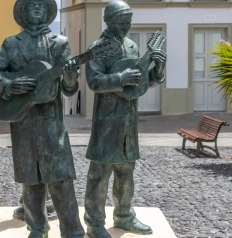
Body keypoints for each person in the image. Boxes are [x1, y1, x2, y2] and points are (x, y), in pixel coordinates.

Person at [0, 0, 85, 237]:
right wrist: (9, 85)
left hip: (52, 122)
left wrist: (70, 77)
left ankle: (72, 231)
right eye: (31, 5)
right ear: (23, 12)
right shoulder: (10, 44)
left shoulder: (61, 44)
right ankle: (37, 228)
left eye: (41, 4)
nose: (36, 7)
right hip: (23, 122)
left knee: (61, 179)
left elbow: (69, 89)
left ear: (48, 12)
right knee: (31, 181)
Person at [83, 1, 167, 237]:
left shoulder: (132, 46)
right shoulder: (98, 47)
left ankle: (124, 216)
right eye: (121, 22)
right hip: (107, 122)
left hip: (129, 122)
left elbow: (140, 84)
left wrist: (158, 70)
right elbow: (93, 81)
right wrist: (120, 78)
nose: (125, 26)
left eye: (128, 22)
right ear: (108, 21)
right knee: (99, 175)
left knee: (126, 173)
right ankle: (95, 222)